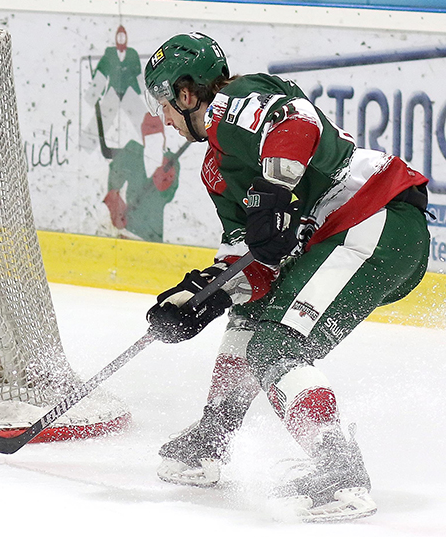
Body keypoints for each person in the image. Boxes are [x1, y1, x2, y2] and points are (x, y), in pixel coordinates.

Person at [142, 32, 430, 522]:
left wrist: (274, 186)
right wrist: (198, 298)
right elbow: (251, 258)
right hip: (353, 236)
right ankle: (214, 436)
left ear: (187, 94)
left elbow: (296, 120)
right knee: (251, 317)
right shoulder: (215, 167)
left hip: (375, 220)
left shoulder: (236, 100)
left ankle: (340, 474)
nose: (165, 118)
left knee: (276, 349)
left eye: (166, 103)